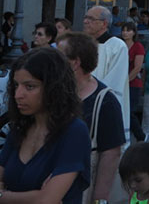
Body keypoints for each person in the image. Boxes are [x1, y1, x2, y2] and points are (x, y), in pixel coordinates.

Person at [0, 47, 91, 203]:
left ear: (54, 87)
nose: (18, 95)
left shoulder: (74, 131)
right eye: (16, 85)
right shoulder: (19, 128)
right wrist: (34, 196)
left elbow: (46, 200)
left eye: (30, 86)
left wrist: (3, 195)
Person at [56, 32, 125, 204]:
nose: (53, 61)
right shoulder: (52, 92)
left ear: (75, 63)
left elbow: (111, 153)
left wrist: (99, 199)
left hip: (81, 191)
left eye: (58, 56)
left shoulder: (105, 101)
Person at [83, 5, 130, 141]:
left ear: (104, 23)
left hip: (101, 104)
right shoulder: (82, 44)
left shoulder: (117, 46)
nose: (86, 21)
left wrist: (92, 98)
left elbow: (115, 80)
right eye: (85, 18)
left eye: (91, 19)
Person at [122, 21, 146, 141]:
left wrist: (126, 81)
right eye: (124, 30)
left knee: (129, 112)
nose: (125, 33)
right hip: (120, 83)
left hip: (133, 84)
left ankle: (140, 136)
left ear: (134, 32)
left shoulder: (138, 46)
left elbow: (137, 68)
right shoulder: (120, 45)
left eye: (128, 30)